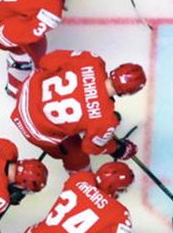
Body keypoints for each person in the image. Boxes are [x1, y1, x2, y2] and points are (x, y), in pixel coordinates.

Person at [11, 49, 145, 173]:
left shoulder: (91, 60)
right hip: (34, 129)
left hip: (26, 94)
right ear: (129, 93)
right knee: (77, 157)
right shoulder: (106, 121)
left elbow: (46, 61)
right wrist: (116, 149)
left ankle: (12, 87)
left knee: (88, 124)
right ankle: (81, 183)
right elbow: (90, 148)